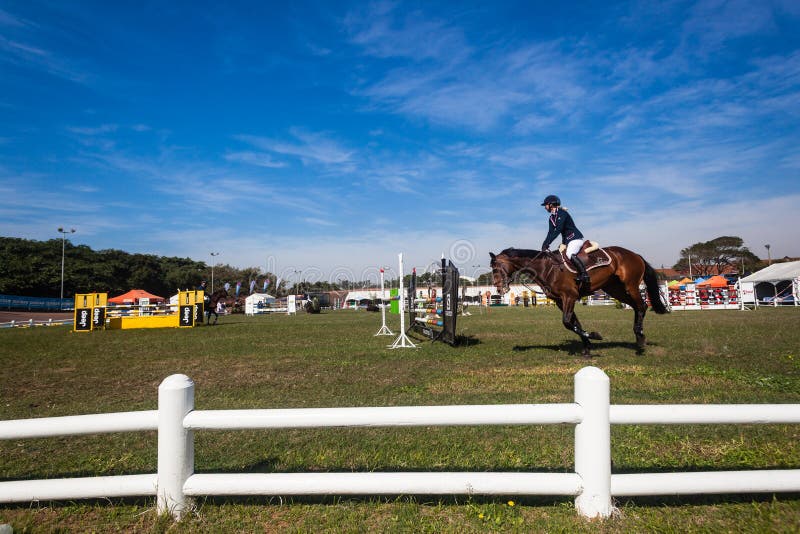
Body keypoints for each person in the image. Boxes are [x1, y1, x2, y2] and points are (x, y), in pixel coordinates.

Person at [540, 195, 590, 289]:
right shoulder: (551, 218)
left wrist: (548, 243)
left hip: (575, 238)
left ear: (551, 204)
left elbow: (558, 229)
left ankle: (584, 274)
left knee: (570, 253)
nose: (545, 207)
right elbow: (550, 232)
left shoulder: (562, 213)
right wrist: (544, 244)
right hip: (567, 241)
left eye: (546, 205)